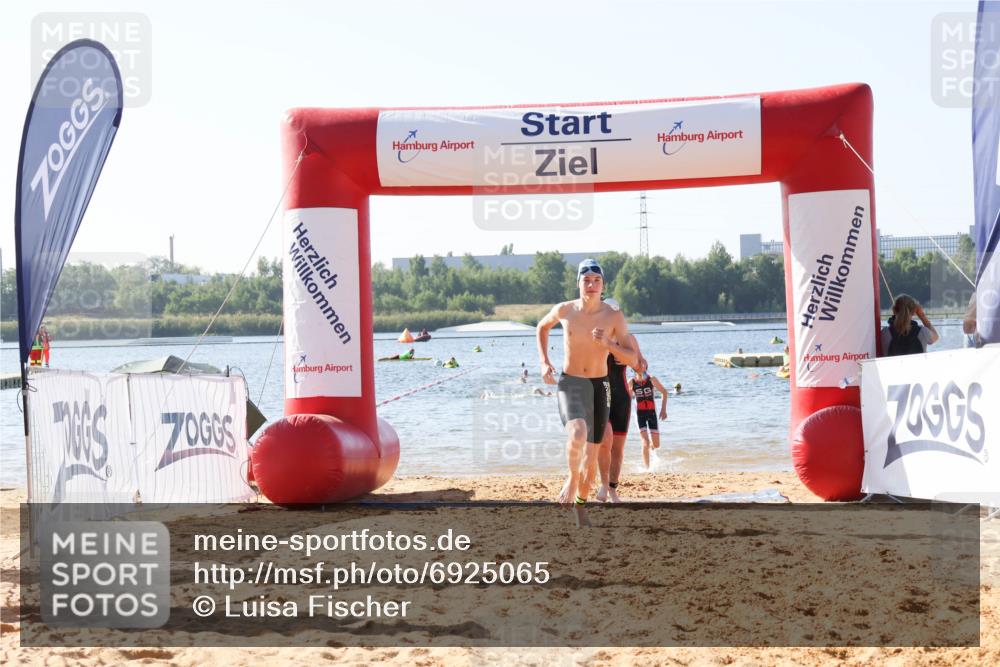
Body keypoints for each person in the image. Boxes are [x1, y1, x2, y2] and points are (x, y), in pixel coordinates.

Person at [537, 258, 636, 526]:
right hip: (571, 382)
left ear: (603, 285)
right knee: (578, 432)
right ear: (578, 283)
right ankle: (570, 476)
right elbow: (541, 327)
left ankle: (580, 508)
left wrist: (608, 343)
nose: (591, 285)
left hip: (600, 385)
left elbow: (633, 357)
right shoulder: (565, 310)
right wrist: (544, 361)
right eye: (586, 280)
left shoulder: (613, 316)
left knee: (591, 461)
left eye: (597, 281)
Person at [630, 369, 669, 468]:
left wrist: (663, 410)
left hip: (651, 413)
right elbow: (626, 397)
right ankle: (647, 469)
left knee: (656, 445)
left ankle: (651, 446)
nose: (641, 370)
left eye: (643, 367)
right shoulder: (631, 382)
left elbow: (664, 392)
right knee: (645, 442)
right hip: (639, 414)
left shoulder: (651, 379)